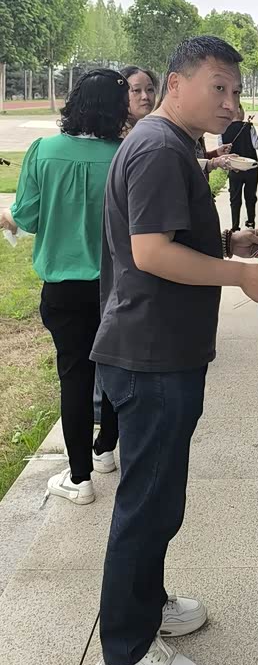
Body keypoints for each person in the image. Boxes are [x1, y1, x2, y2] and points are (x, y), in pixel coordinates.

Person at [88, 35, 258, 665]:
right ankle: (124, 655)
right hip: (149, 355)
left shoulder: (174, 144)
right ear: (175, 84)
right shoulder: (157, 148)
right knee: (147, 503)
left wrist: (227, 242)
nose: (231, 103)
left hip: (166, 350)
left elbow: (168, 239)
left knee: (160, 496)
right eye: (218, 87)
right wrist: (240, 274)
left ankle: (149, 604)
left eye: (237, 91)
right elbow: (149, 253)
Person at [0, 71, 128, 504]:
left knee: (74, 378)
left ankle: (79, 477)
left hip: (63, 289)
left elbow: (28, 217)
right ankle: (106, 449)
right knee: (114, 369)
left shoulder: (43, 150)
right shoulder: (124, 155)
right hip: (114, 287)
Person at [220, 105, 258, 229]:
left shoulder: (223, 129)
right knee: (251, 197)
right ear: (238, 111)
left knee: (234, 198)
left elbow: (221, 149)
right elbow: (256, 144)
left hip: (234, 169)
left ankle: (235, 226)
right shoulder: (248, 127)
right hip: (251, 168)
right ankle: (250, 222)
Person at [121, 66, 158, 131]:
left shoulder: (160, 129)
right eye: (136, 90)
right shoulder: (113, 132)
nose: (145, 96)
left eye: (150, 89)